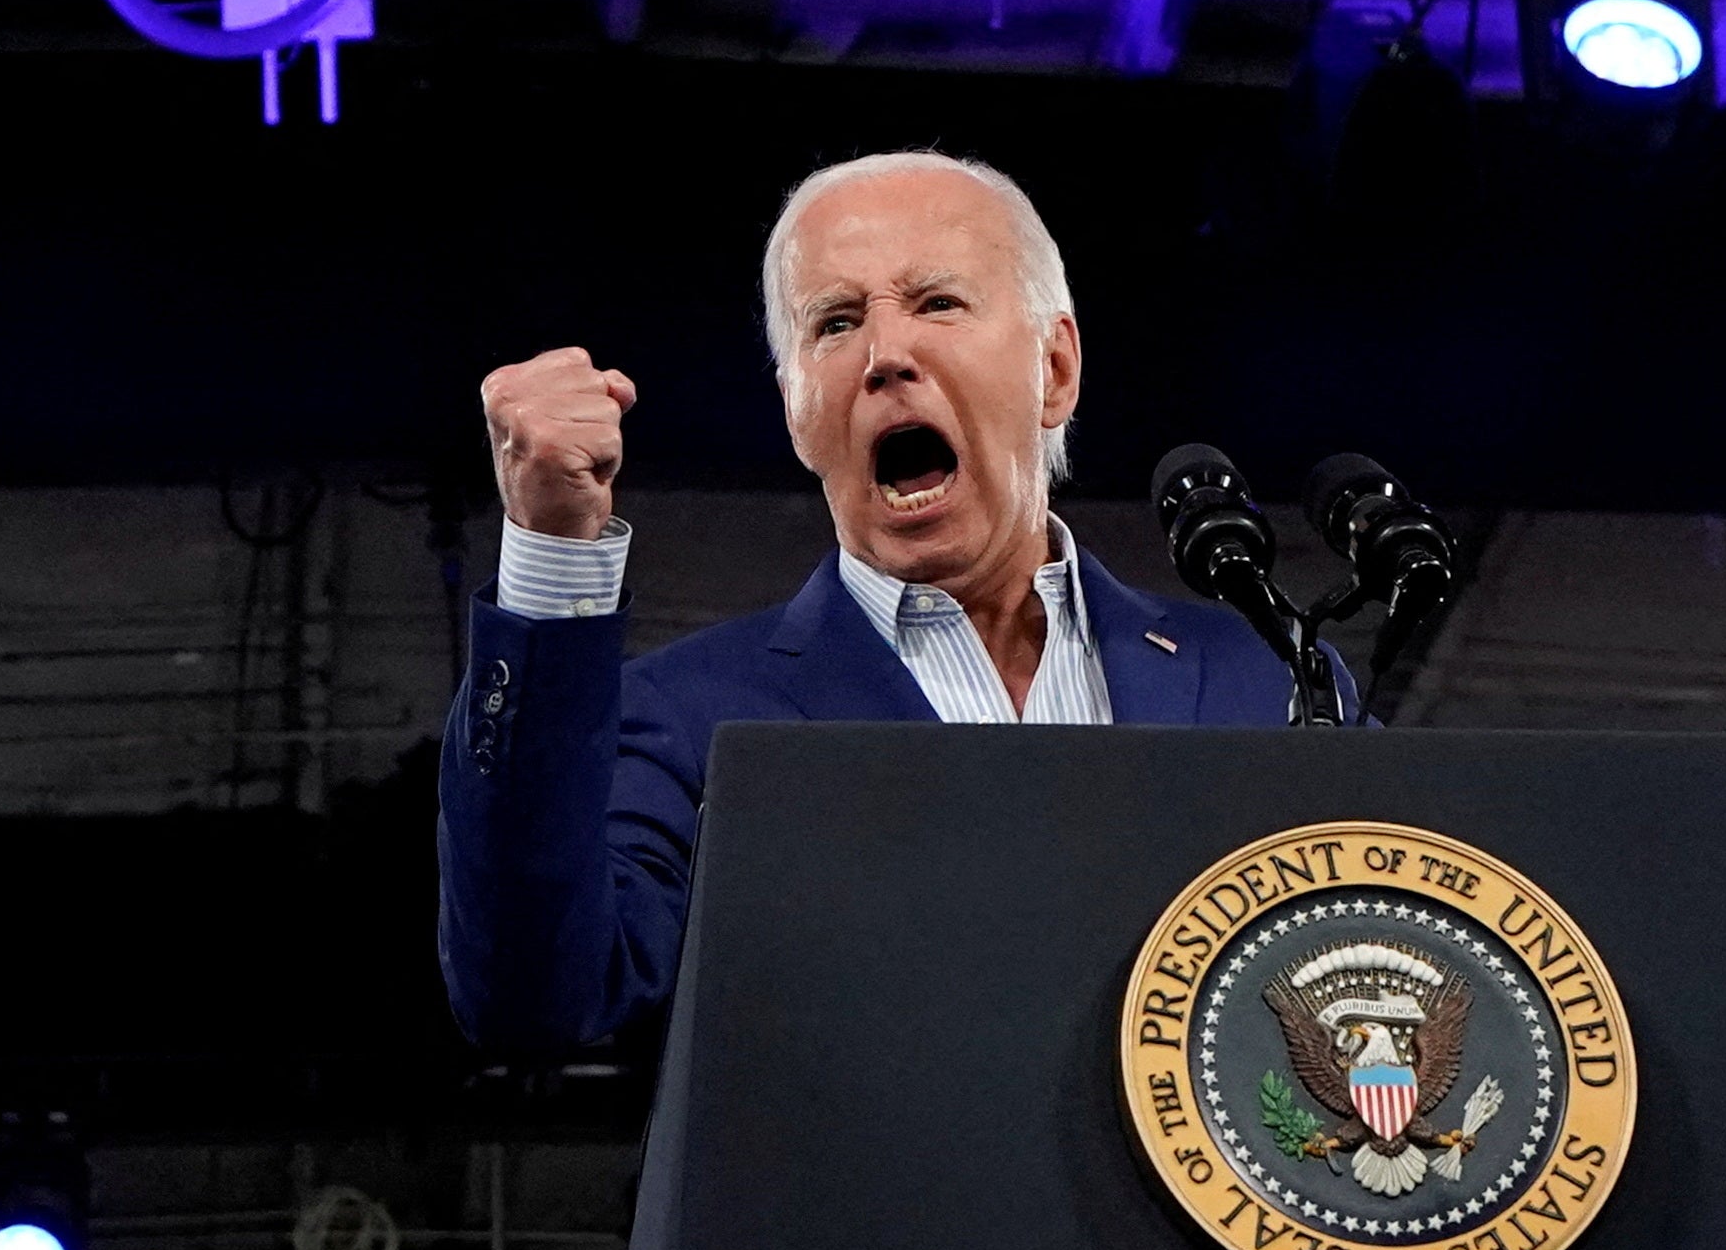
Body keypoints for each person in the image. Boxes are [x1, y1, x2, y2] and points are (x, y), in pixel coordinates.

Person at [438, 150, 1359, 1054]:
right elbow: (533, 1000)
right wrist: (553, 556)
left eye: (938, 303)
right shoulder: (687, 718)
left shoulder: (1265, 681)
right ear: (798, 411)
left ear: (1056, 367)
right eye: (835, 324)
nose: (884, 354)